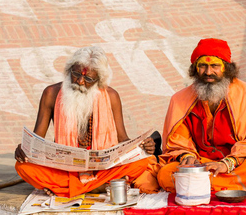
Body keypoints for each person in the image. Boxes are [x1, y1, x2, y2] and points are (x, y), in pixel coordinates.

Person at [14, 46, 159, 197]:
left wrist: (141, 147)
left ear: (99, 80)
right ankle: (97, 187)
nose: (80, 81)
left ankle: (68, 189)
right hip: (65, 169)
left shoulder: (111, 96)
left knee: (145, 160)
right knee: (23, 166)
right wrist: (25, 149)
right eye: (75, 74)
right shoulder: (51, 93)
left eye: (88, 79)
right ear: (68, 70)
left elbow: (123, 139)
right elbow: (37, 140)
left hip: (103, 169)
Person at [157, 38, 246, 193]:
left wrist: (227, 164)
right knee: (165, 174)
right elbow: (178, 141)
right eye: (203, 66)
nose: (208, 72)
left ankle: (204, 185)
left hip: (238, 163)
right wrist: (187, 156)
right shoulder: (180, 100)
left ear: (226, 68)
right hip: (201, 165)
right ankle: (233, 183)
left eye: (215, 66)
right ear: (195, 69)